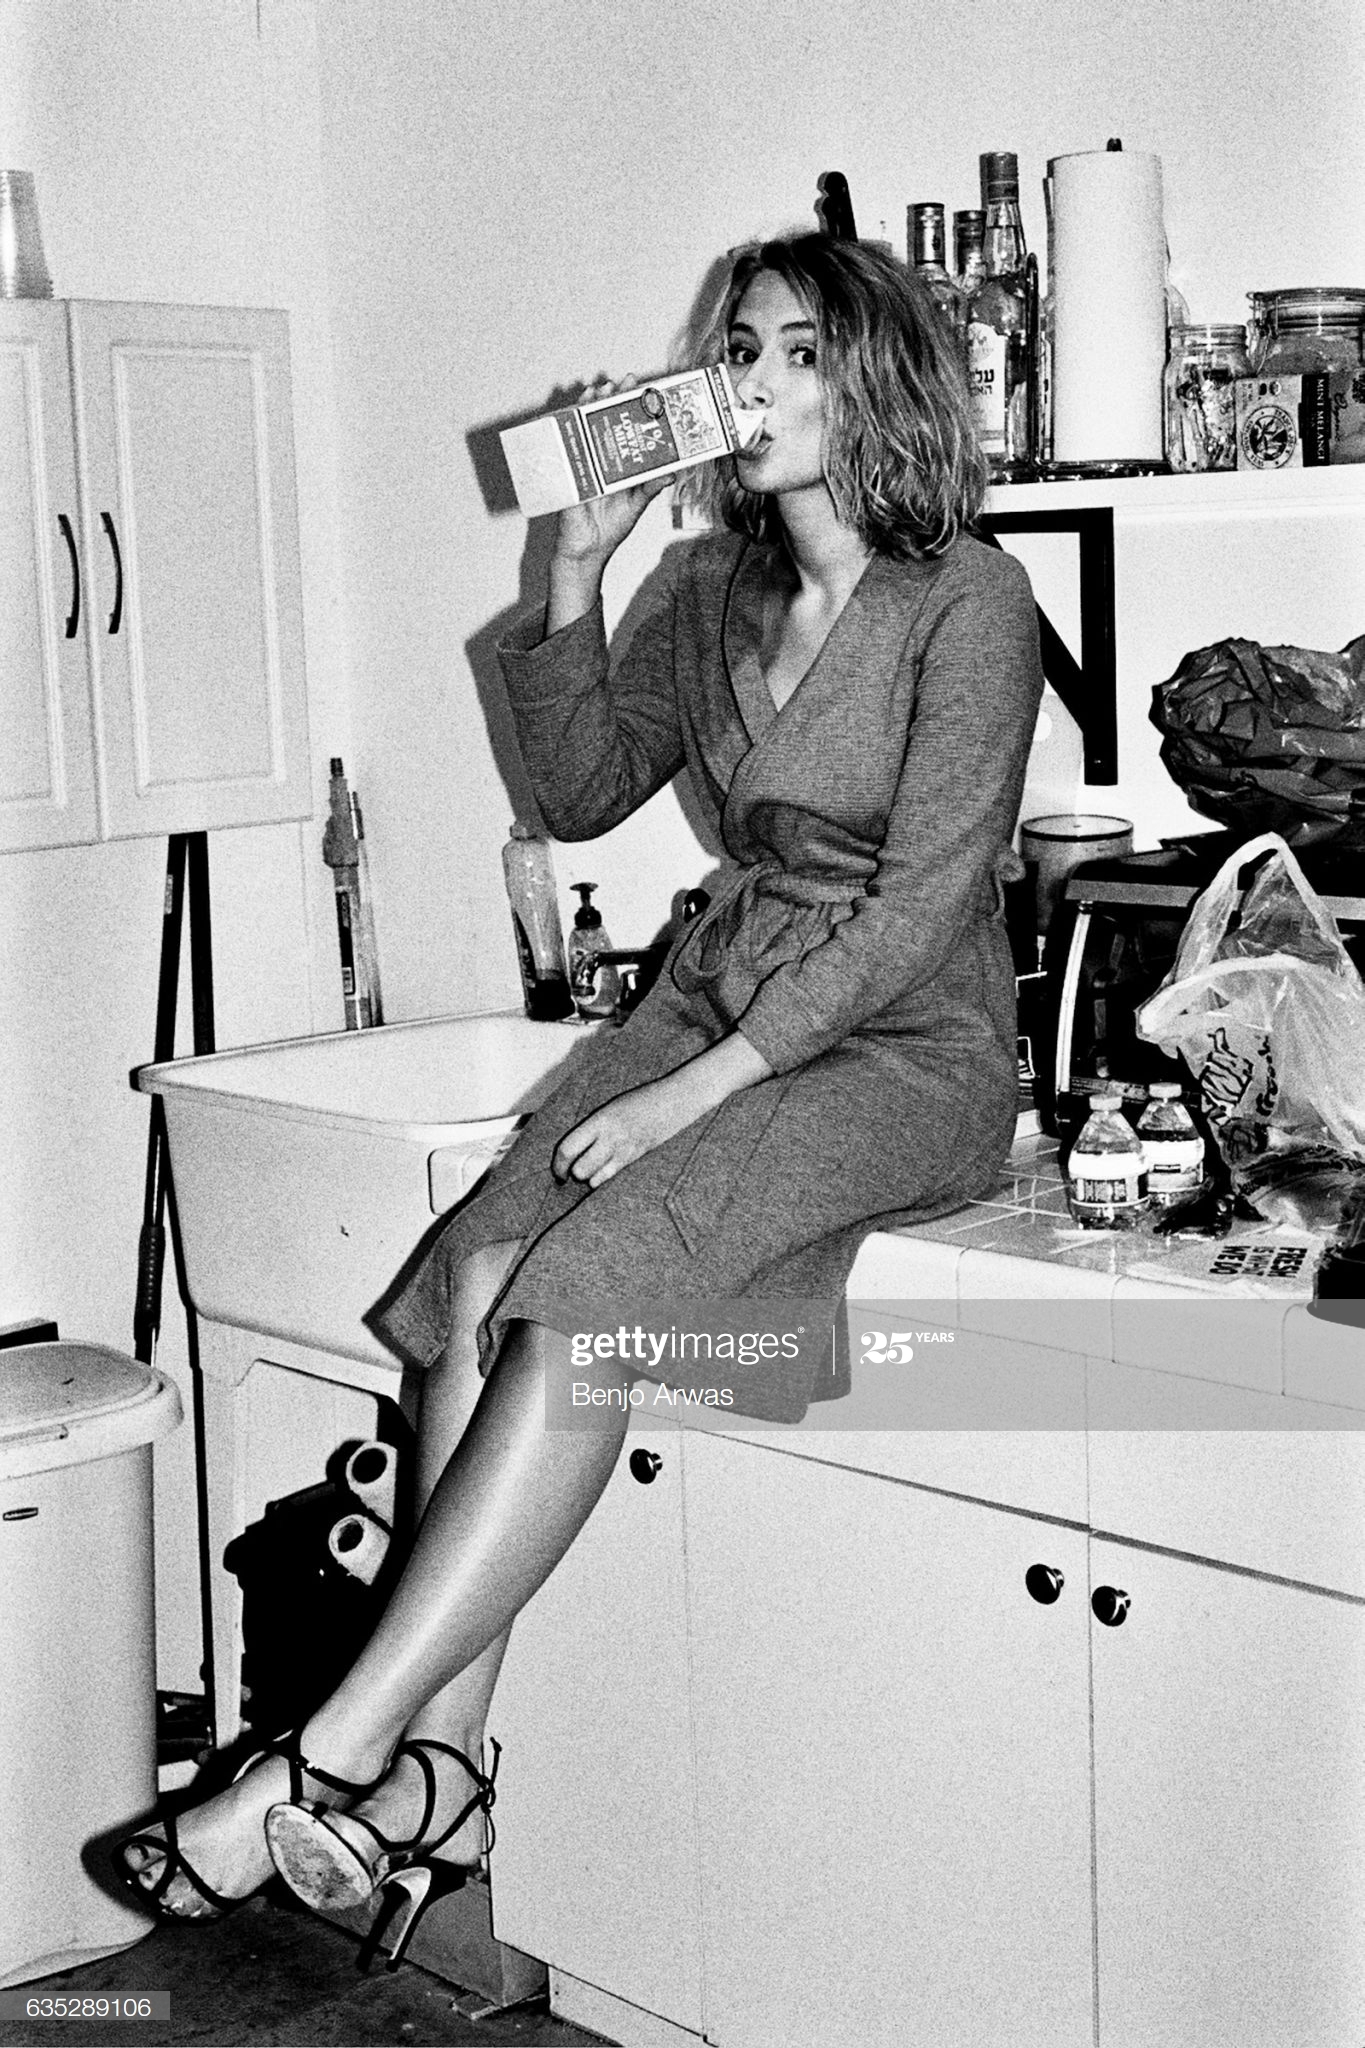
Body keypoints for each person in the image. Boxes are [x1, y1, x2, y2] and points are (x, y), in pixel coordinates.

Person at [117, 231, 1044, 1957]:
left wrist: (689, 1098)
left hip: (903, 1042)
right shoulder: (704, 588)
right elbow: (577, 790)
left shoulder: (967, 600)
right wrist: (570, 568)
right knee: (482, 1269)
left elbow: (921, 906)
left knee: (583, 1305)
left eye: (794, 352)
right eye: (735, 350)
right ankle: (444, 1773)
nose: (749, 384)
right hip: (719, 995)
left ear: (877, 385)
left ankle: (336, 1755)